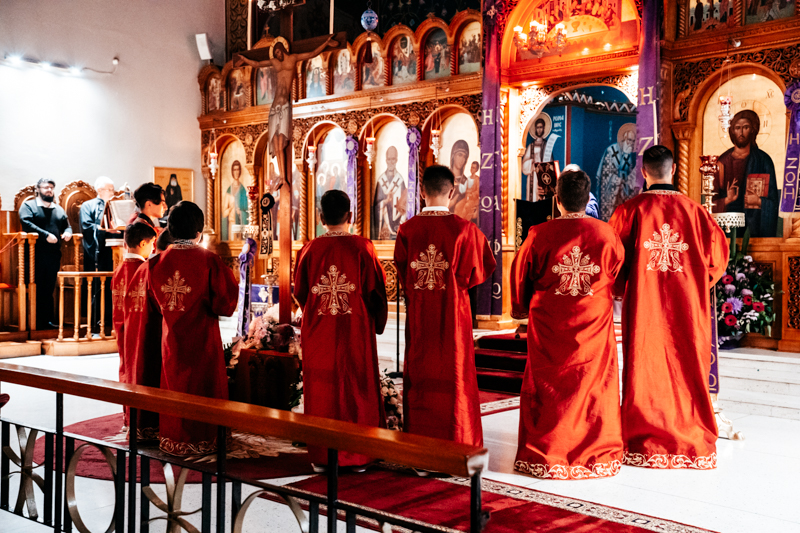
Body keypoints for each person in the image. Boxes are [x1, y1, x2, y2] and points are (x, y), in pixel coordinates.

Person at [609, 146, 728, 470]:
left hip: (644, 309)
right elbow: (716, 261)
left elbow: (613, 261)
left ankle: (642, 440)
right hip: (687, 309)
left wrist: (625, 289)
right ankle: (690, 436)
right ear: (673, 170)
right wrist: (694, 284)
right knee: (686, 365)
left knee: (644, 367)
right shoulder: (696, 212)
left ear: (644, 172)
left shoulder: (629, 210)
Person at [511, 169, 624, 479]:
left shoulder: (539, 234)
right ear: (588, 200)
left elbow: (521, 275)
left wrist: (520, 309)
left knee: (550, 386)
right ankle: (596, 452)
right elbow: (615, 274)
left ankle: (547, 450)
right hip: (593, 324)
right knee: (592, 384)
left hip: (550, 325)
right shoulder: (606, 234)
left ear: (556, 200)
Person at [394, 165, 496, 460]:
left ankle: (420, 451)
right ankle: (457, 444)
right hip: (453, 318)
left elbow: (403, 274)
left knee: (421, 378)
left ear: (421, 191)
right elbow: (479, 271)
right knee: (454, 376)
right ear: (452, 191)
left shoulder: (407, 230)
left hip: (420, 317)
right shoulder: (465, 230)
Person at [294, 190, 388, 471]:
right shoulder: (363, 247)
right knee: (355, 384)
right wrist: (376, 318)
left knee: (322, 386)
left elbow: (300, 292)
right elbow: (376, 291)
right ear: (350, 216)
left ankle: (322, 455)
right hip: (354, 329)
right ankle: (358, 455)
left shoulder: (309, 249)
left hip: (319, 330)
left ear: (321, 217)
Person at [144, 201, 238, 455]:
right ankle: (205, 439)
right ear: (199, 231)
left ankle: (174, 437)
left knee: (174, 384)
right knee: (202, 386)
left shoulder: (155, 263)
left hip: (170, 339)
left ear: (171, 230)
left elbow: (151, 304)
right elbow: (225, 304)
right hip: (202, 338)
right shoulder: (209, 260)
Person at [112, 222, 156, 426]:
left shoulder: (119, 269)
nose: (153, 248)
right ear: (143, 243)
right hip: (140, 328)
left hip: (122, 329)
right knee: (141, 372)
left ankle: (128, 417)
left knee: (127, 370)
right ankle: (142, 422)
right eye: (152, 243)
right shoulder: (144, 269)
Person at [713, 109, 779, 237]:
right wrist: (727, 199)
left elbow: (773, 203)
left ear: (753, 130)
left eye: (746, 127)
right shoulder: (721, 162)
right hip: (727, 230)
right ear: (732, 131)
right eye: (737, 128)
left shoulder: (763, 160)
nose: (741, 132)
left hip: (754, 230)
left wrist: (759, 201)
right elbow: (711, 204)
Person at [19, 178, 73, 329]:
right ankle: (33, 322)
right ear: (38, 189)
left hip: (53, 255)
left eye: (51, 188)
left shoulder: (58, 209)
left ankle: (46, 321)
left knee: (49, 289)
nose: (49, 190)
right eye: (45, 188)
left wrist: (68, 233)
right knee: (36, 288)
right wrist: (45, 235)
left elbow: (67, 226)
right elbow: (26, 223)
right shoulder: (28, 206)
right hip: (34, 255)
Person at [79, 176, 119, 333]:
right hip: (97, 251)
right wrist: (102, 229)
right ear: (99, 190)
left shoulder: (115, 205)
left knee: (112, 285)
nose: (112, 193)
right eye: (109, 190)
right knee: (97, 286)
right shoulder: (88, 206)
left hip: (114, 251)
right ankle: (95, 321)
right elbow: (87, 226)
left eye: (113, 190)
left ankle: (110, 319)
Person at [372, 146, 407, 239]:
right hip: (383, 225)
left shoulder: (400, 180)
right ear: (386, 160)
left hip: (397, 223)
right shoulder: (381, 180)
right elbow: (376, 205)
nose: (391, 162)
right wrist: (385, 202)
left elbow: (405, 202)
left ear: (397, 160)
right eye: (389, 159)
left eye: (393, 159)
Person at [221, 160, 249, 240]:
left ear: (240, 171)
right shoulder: (229, 191)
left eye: (238, 170)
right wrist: (231, 208)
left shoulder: (243, 190)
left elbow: (248, 211)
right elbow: (224, 213)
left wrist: (240, 212)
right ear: (232, 172)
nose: (236, 172)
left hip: (241, 225)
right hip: (232, 225)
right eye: (234, 170)